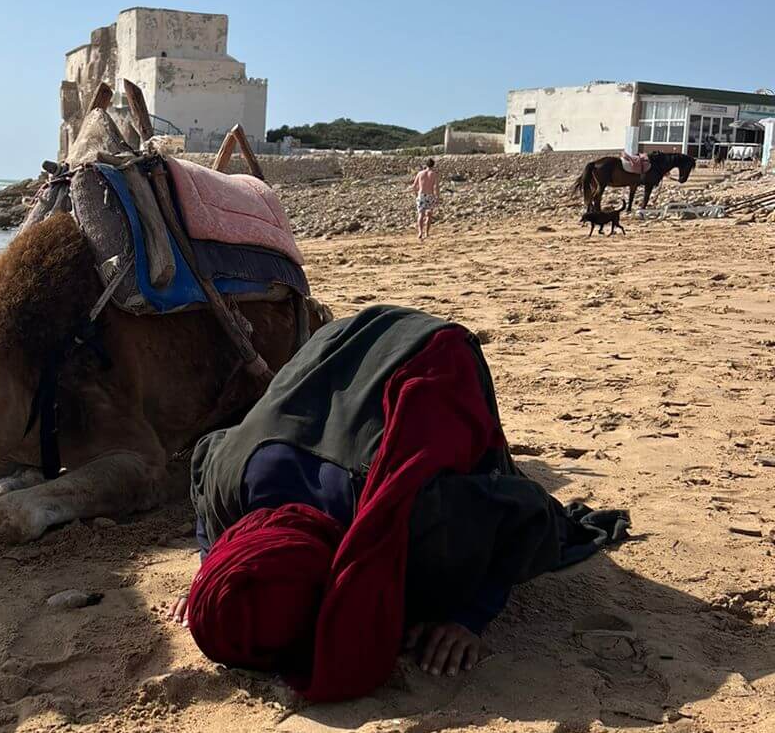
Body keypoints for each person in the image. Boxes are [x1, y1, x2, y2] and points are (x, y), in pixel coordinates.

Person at [172, 304, 629, 700]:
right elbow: (205, 457)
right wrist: (214, 568)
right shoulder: (227, 482)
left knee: (477, 459)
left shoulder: (410, 518)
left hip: (431, 352)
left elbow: (525, 514)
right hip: (335, 345)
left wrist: (468, 616)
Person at [412, 158, 440, 240]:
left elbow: (414, 186)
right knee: (429, 215)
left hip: (421, 195)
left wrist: (416, 195)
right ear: (433, 165)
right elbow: (436, 187)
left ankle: (420, 232)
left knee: (421, 214)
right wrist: (437, 197)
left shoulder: (420, 173)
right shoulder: (434, 174)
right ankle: (427, 233)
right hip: (430, 195)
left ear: (426, 165)